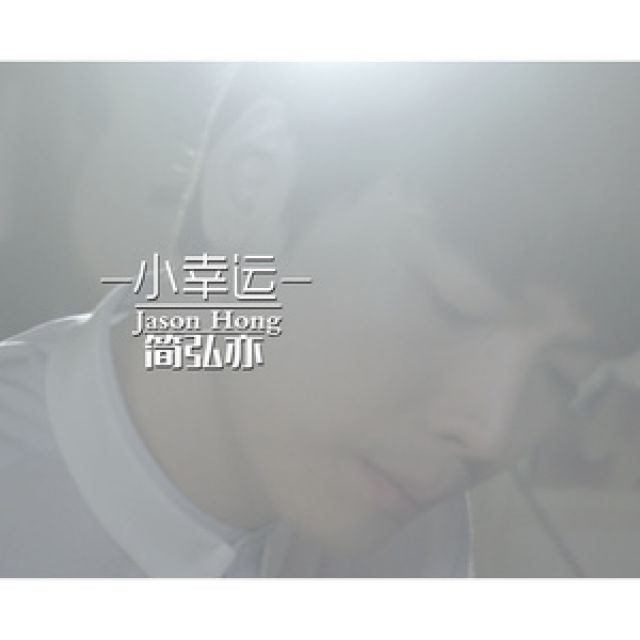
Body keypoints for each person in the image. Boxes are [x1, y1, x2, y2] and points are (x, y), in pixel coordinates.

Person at [1, 62, 640, 577]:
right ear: (252, 184)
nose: (491, 433)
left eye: (560, 377)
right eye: (453, 305)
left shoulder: (394, 500)